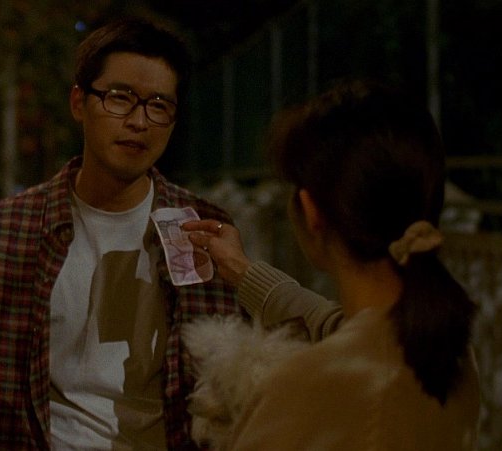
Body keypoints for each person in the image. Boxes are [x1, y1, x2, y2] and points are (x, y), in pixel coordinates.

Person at [0, 17, 241, 450]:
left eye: (158, 105)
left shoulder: (202, 229)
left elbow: (228, 389)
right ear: (79, 102)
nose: (139, 121)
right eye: (120, 98)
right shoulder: (8, 231)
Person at [184, 80, 480, 450]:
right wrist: (244, 271)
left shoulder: (308, 387)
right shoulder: (445, 348)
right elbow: (330, 322)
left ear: (311, 213)